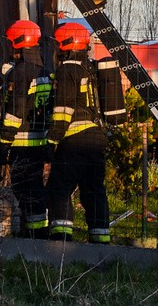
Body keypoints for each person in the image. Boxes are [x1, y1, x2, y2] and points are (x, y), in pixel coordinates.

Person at [46, 23, 127, 243]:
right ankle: (100, 240)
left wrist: (52, 139)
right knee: (93, 190)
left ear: (67, 44)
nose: (57, 49)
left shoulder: (67, 70)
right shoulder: (91, 68)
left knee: (59, 188)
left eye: (58, 44)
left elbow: (64, 110)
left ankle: (61, 240)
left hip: (75, 139)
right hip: (97, 137)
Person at [0, 20, 53, 238]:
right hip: (39, 141)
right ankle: (37, 232)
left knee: (24, 190)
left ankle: (33, 237)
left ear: (20, 42)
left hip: (21, 143)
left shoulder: (21, 73)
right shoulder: (43, 70)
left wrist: (3, 143)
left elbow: (14, 113)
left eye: (12, 43)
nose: (10, 48)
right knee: (35, 189)